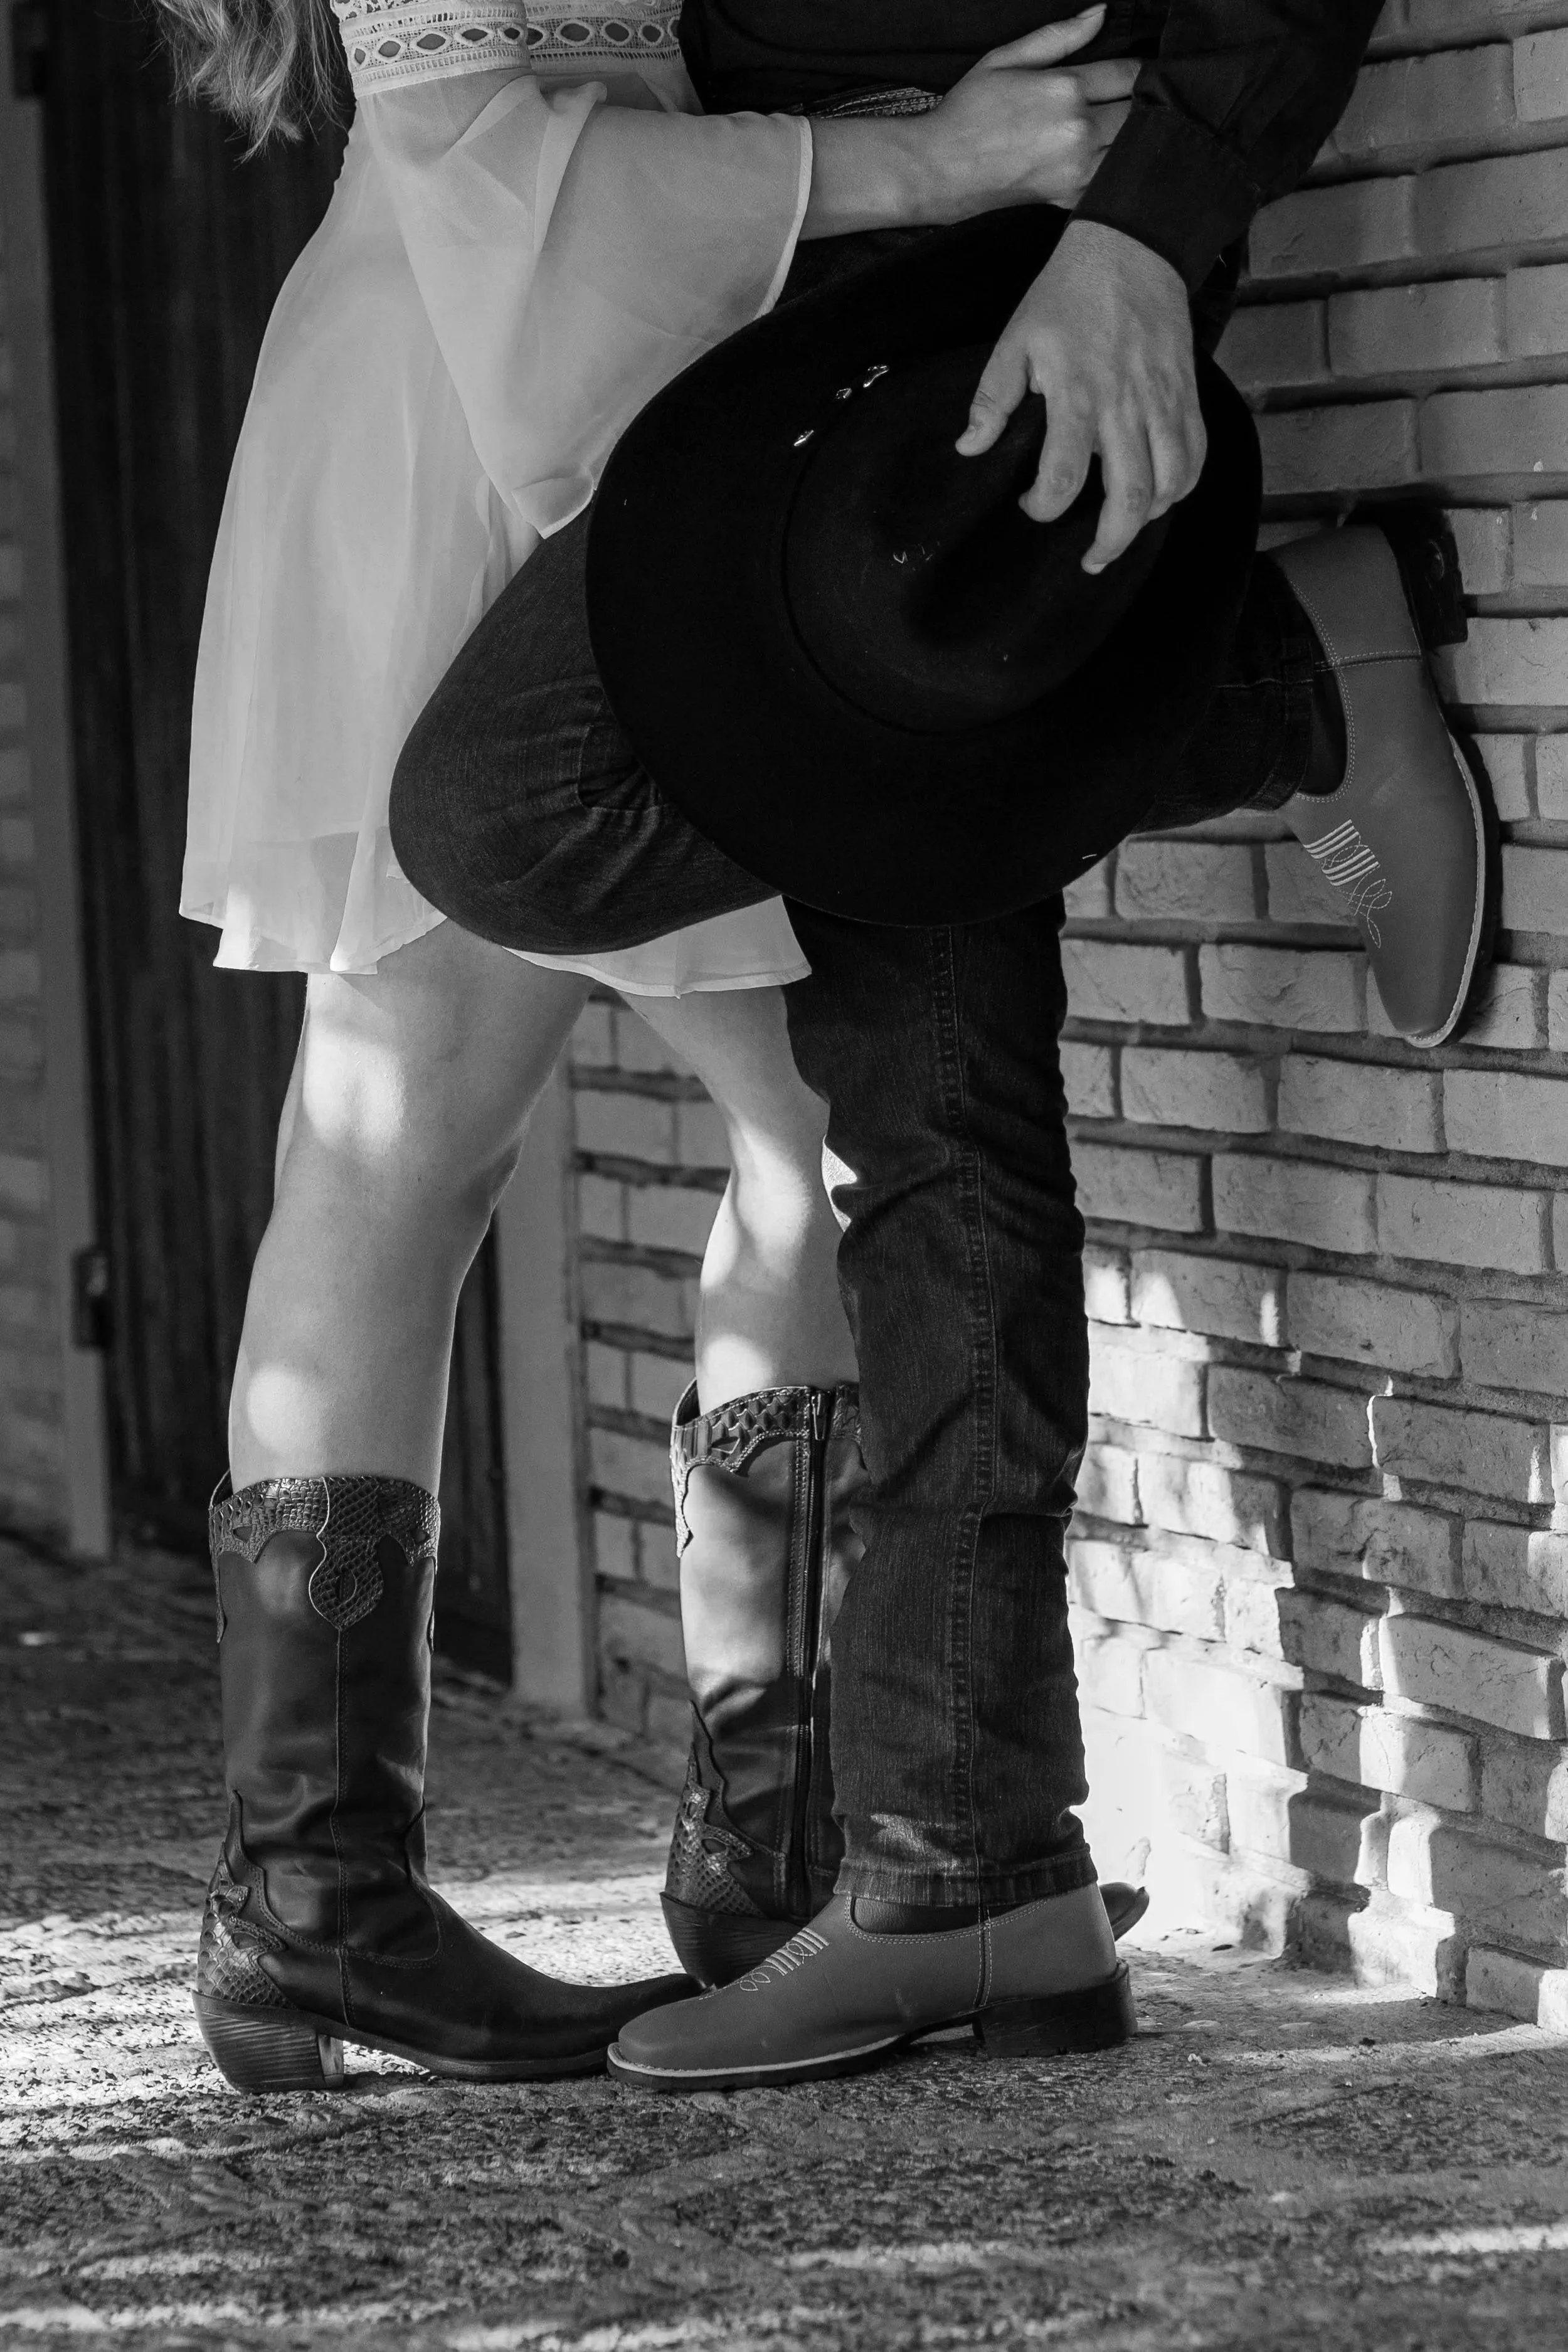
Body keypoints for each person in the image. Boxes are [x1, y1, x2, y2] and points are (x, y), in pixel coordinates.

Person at [387, 0, 1495, 2091]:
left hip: (994, 263)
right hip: (786, 282)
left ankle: (1285, 679)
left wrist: (1142, 234)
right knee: (928, 1122)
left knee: (513, 815)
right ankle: (972, 1866)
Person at [158, 0, 1148, 2089]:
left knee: (752, 1130)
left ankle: (731, 1845)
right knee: (426, 1143)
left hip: (582, 412)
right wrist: (942, 161)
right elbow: (494, 167)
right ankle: (352, 1889)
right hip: (487, 420)